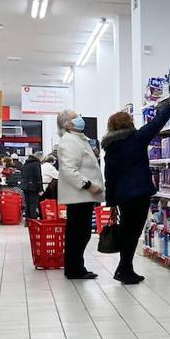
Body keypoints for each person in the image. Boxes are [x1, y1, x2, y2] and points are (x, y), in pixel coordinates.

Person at [100, 92, 170, 284]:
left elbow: (109, 177)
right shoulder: (136, 138)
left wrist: (111, 200)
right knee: (133, 233)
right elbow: (157, 123)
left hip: (122, 197)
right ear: (129, 124)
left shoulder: (110, 148)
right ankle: (125, 270)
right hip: (139, 194)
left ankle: (124, 268)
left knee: (128, 231)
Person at [56, 110, 104, 279]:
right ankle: (74, 269)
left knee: (80, 233)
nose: (80, 119)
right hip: (79, 196)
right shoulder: (69, 141)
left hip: (82, 197)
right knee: (78, 233)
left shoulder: (79, 139)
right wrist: (89, 185)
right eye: (75, 117)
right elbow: (69, 170)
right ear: (67, 124)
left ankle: (76, 267)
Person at [21, 152, 43, 222]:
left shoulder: (25, 164)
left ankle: (27, 221)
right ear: (39, 157)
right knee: (33, 205)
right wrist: (40, 189)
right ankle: (34, 221)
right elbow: (38, 177)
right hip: (34, 187)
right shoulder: (36, 164)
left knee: (28, 204)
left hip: (25, 186)